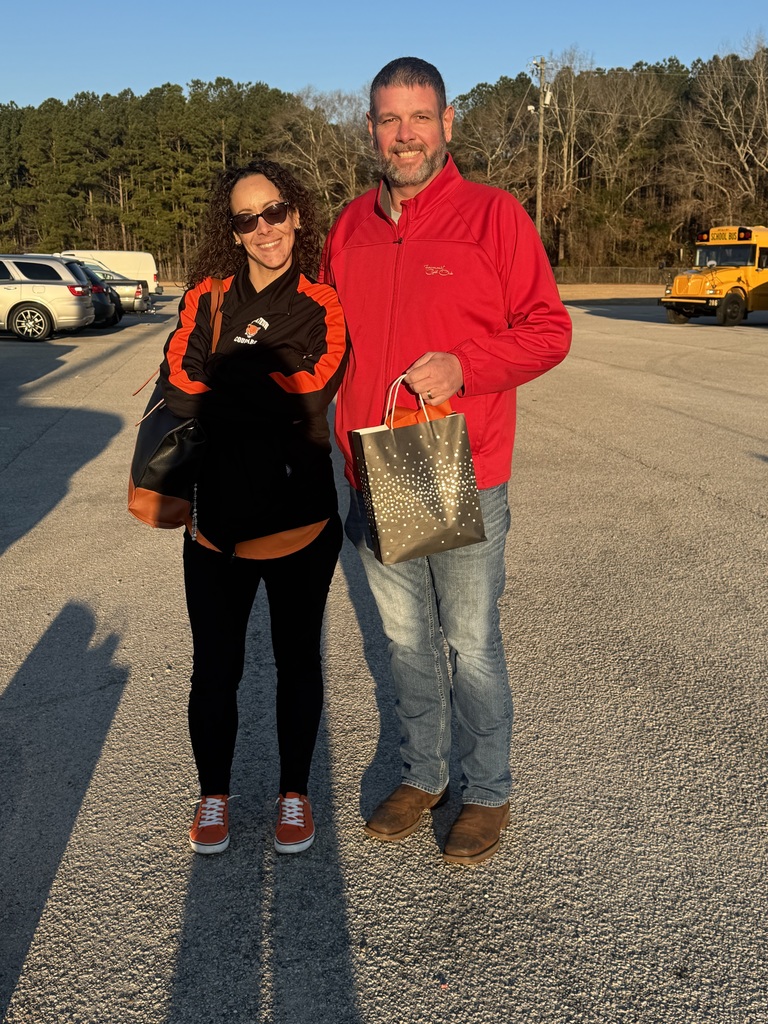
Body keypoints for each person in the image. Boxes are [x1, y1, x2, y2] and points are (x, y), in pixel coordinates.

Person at [319, 58, 571, 865]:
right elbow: (322, 336)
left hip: (457, 461)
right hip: (375, 463)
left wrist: (466, 366)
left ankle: (487, 790)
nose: (405, 136)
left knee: (469, 640)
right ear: (370, 129)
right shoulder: (349, 226)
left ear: (448, 122)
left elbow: (548, 329)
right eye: (390, 121)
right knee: (406, 643)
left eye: (419, 118)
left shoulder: (493, 216)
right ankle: (424, 775)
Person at [159, 160, 349, 856]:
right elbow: (180, 384)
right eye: (248, 219)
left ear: (297, 214)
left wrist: (230, 377)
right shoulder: (203, 297)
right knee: (215, 668)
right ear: (232, 233)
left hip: (301, 523)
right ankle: (214, 795)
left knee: (300, 661)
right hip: (215, 528)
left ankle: (293, 794)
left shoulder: (324, 302)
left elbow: (311, 392)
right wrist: (260, 380)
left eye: (275, 211)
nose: (265, 228)